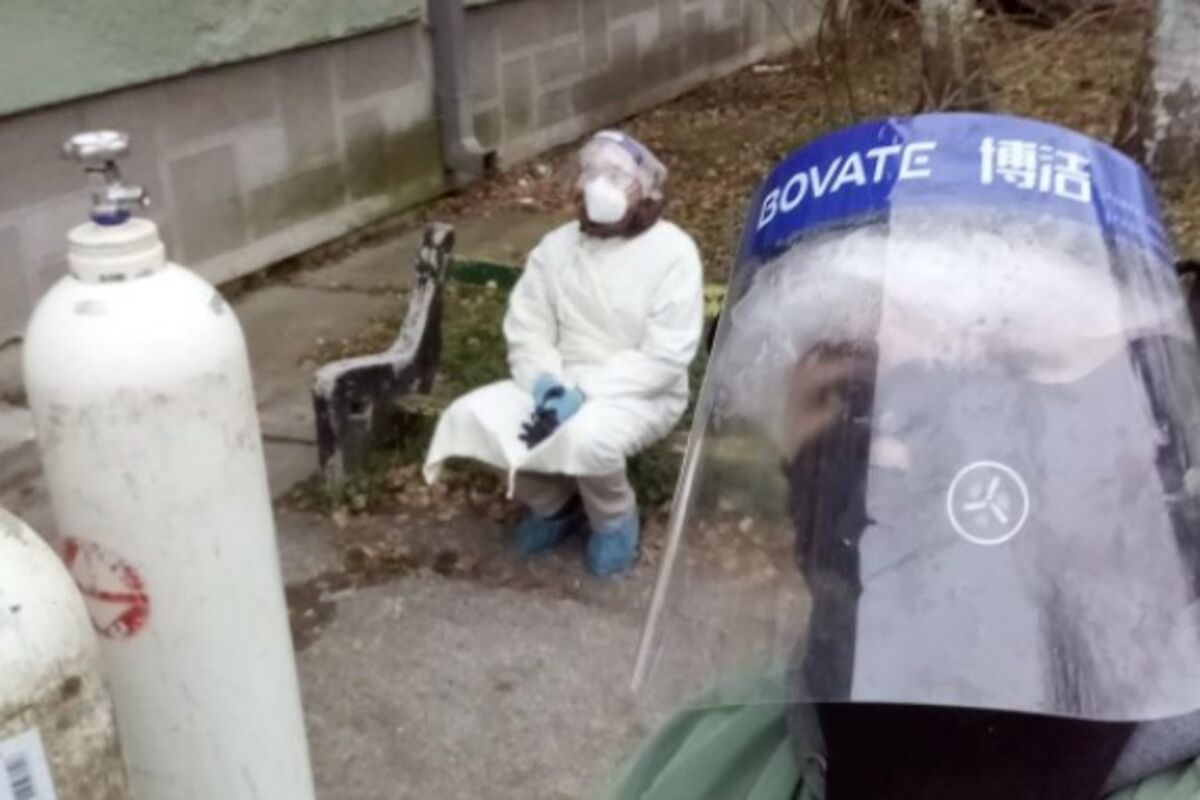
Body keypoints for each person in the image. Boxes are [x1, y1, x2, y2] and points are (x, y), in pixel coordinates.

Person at [620, 114, 1200, 798]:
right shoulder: (705, 755)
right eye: (854, 392)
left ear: (1147, 422)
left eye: (1011, 364)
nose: (897, 447)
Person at [423, 130, 704, 577]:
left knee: (587, 436)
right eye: (590, 171)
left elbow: (666, 355)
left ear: (644, 186)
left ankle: (614, 520)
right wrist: (545, 383)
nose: (599, 185)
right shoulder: (557, 247)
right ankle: (553, 505)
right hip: (556, 381)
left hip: (641, 392)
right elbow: (528, 326)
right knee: (472, 417)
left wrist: (585, 392)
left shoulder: (673, 252)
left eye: (615, 174)